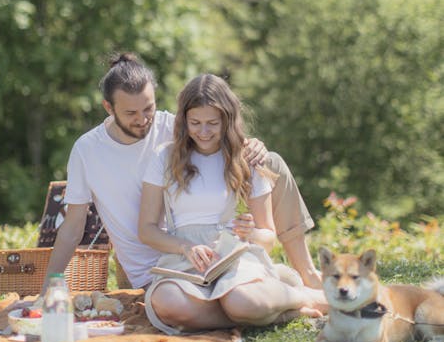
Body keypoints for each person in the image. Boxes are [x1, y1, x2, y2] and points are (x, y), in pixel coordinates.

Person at [40, 52, 321, 295]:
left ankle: (307, 272)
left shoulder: (173, 126)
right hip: (156, 267)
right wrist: (48, 286)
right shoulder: (87, 151)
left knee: (270, 163)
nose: (143, 120)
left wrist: (253, 145)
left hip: (204, 252)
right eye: (131, 113)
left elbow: (215, 132)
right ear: (108, 108)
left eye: (148, 108)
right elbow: (72, 228)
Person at [138, 74, 326, 335]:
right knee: (167, 304)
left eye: (212, 123)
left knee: (241, 300)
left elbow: (268, 237)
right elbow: (146, 230)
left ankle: (304, 297)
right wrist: (185, 247)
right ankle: (272, 313)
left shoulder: (246, 158)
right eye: (195, 123)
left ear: (227, 120)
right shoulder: (165, 157)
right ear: (183, 120)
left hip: (234, 256)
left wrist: (250, 234)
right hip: (184, 259)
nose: (203, 132)